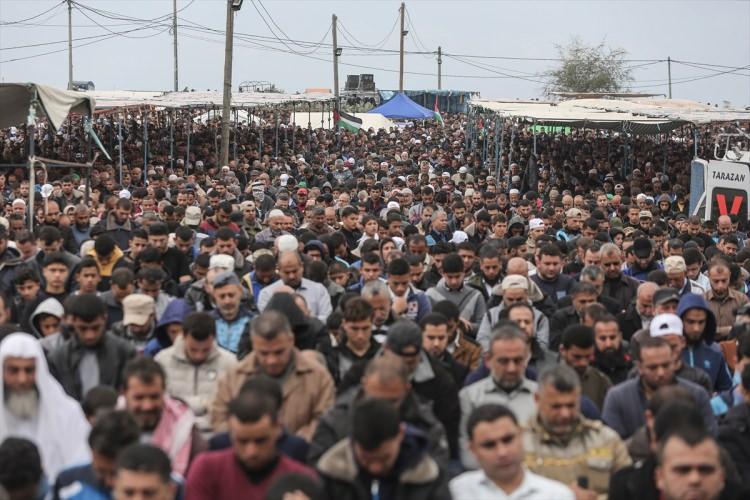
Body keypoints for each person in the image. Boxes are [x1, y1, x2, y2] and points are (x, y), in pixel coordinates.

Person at [211, 311, 335, 441]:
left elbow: (326, 421)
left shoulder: (318, 376)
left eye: (279, 352)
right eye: (264, 353)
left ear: (291, 340)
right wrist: (246, 439)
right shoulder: (234, 377)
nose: (272, 360)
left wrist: (297, 443)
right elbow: (219, 419)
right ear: (253, 345)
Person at [308, 356, 450, 468]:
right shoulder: (336, 419)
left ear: (406, 389)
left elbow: (438, 474)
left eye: (392, 401)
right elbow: (318, 471)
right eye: (375, 399)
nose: (382, 407)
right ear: (364, 385)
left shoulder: (425, 424)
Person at [185, 388, 316, 500]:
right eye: (242, 441)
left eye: (261, 441)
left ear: (278, 429)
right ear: (230, 433)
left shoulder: (302, 480)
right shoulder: (207, 470)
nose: (251, 451)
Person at [524, 365, 631, 499]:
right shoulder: (518, 446)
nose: (565, 414)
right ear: (537, 399)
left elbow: (630, 491)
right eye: (556, 406)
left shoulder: (607, 439)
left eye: (571, 405)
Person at [316, 398, 452, 500]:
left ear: (401, 434)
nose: (375, 468)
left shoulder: (428, 477)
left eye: (385, 458)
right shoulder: (332, 473)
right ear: (353, 442)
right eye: (366, 459)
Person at [0, 333, 91, 480]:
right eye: (14, 371)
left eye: (29, 370)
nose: (22, 379)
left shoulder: (67, 412)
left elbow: (82, 463)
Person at [449, 404, 574, 500]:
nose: (502, 452)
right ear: (473, 449)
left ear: (521, 435)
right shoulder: (456, 492)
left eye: (508, 440)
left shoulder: (557, 495)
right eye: (489, 445)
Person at [602, 336, 716, 439]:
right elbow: (611, 445)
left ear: (673, 363)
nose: (661, 373)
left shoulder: (697, 394)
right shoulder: (617, 397)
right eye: (653, 367)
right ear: (640, 367)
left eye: (666, 365)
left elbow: (710, 438)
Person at [459, 325, 537, 469]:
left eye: (517, 360)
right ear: (488, 360)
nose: (511, 368)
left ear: (526, 359)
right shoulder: (470, 397)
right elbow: (467, 450)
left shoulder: (541, 396)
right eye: (504, 361)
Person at [155, 312, 237, 435]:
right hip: (173, 432)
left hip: (215, 433)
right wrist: (204, 404)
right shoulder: (162, 360)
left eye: (205, 350)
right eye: (193, 349)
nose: (199, 355)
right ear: (183, 337)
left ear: (214, 338)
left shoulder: (230, 363)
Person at [121, 357, 204, 477]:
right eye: (139, 398)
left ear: (164, 392)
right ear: (124, 393)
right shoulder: (109, 425)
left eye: (154, 397)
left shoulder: (185, 429)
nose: (147, 406)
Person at [48, 294, 136, 401]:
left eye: (95, 328)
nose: (90, 335)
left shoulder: (124, 352)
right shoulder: (58, 358)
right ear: (73, 322)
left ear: (104, 319)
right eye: (83, 329)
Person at [52, 410, 141, 500]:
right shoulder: (67, 482)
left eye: (115, 473)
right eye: (101, 471)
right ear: (92, 452)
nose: (109, 482)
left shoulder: (147, 485)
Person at [477, 274, 551, 352]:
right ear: (503, 295)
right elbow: (482, 340)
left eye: (519, 299)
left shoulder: (539, 318)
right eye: (510, 299)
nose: (514, 303)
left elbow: (542, 345)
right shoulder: (491, 315)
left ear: (526, 295)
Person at [677, 293, 733, 392]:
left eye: (701, 322)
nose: (696, 328)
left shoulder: (715, 352)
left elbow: (727, 389)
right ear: (680, 320)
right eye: (691, 322)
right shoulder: (668, 351)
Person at [257, 251, 332, 323]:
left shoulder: (318, 290)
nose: (291, 276)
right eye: (287, 272)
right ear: (279, 271)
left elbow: (326, 318)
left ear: (302, 267)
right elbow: (266, 323)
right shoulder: (267, 294)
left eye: (295, 271)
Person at [426, 252, 487, 333]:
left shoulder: (476, 295)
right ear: (443, 273)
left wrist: (465, 326)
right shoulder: (431, 294)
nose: (454, 281)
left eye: (457, 276)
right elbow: (425, 322)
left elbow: (483, 326)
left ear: (464, 273)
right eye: (450, 277)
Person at [325, 297, 380, 385]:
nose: (360, 335)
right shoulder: (331, 357)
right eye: (354, 329)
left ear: (372, 324)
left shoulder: (384, 355)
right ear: (344, 324)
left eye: (365, 328)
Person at [558, 325, 613, 412]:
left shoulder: (601, 381)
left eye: (588, 356)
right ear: (563, 351)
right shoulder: (548, 381)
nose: (583, 363)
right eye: (577, 357)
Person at [209, 271, 253, 355]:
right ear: (214, 295)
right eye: (222, 296)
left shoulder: (254, 323)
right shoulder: (206, 323)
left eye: (231, 295)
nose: (227, 301)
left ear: (240, 292)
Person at [704, 259, 749, 339]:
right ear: (709, 277)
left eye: (724, 280)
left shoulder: (742, 299)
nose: (720, 285)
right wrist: (730, 330)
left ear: (729, 276)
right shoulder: (701, 301)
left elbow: (746, 328)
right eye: (716, 281)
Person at [420, 312, 468, 386]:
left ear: (447, 337)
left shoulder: (459, 372)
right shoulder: (409, 366)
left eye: (441, 338)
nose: (436, 343)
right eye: (431, 338)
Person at [592, 314, 633, 385]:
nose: (608, 344)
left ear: (620, 337)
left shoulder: (631, 368)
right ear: (594, 338)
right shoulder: (587, 368)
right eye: (602, 338)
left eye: (612, 337)